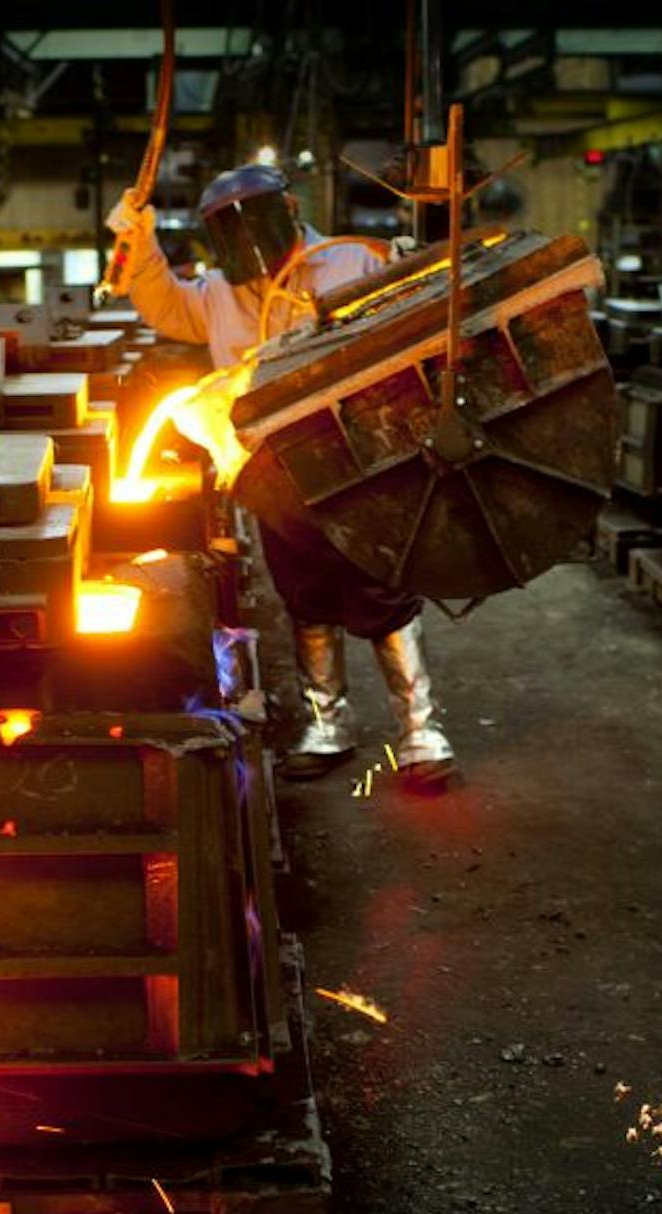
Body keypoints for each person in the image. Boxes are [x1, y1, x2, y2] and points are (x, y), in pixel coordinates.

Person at [108, 163, 457, 789]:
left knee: (381, 588)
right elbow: (165, 306)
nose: (255, 264)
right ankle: (329, 725)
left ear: (287, 211)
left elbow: (413, 318)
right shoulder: (221, 291)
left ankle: (421, 733)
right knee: (306, 593)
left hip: (358, 461)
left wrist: (413, 268)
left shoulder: (352, 263)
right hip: (271, 472)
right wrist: (140, 242)